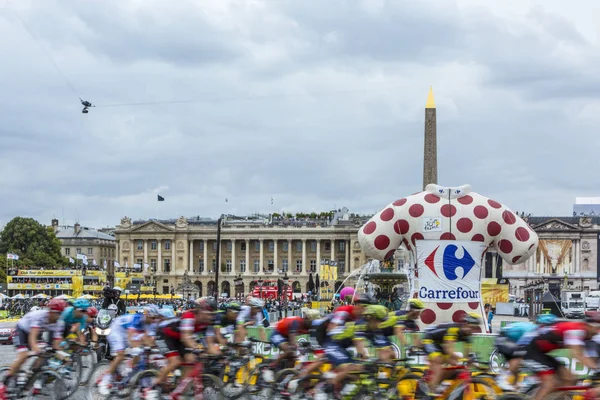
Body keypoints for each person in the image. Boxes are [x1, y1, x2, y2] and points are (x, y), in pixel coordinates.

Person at [150, 298, 219, 399]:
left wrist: (220, 356)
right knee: (175, 361)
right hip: (164, 334)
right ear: (200, 311)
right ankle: (151, 389)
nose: (211, 316)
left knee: (191, 360)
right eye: (209, 313)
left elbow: (210, 344)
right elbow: (186, 337)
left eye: (213, 313)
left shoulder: (208, 323)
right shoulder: (189, 316)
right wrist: (199, 350)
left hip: (179, 338)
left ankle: (179, 389)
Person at [523, 312, 600, 400]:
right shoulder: (575, 329)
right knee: (550, 383)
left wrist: (595, 368)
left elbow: (591, 356)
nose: (597, 333)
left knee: (570, 378)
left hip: (541, 352)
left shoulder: (588, 334)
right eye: (597, 329)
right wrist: (596, 369)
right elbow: (577, 353)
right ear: (589, 326)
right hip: (530, 350)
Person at [98, 304, 161, 395]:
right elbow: (130, 336)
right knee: (121, 355)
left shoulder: (150, 323)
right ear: (146, 315)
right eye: (152, 318)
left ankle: (129, 369)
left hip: (127, 332)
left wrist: (155, 350)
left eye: (155, 318)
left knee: (141, 354)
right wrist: (135, 348)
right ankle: (104, 381)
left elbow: (150, 340)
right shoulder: (137, 318)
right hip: (117, 329)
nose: (153, 320)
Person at [5, 299, 67, 391]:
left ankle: (31, 375)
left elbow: (56, 344)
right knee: (23, 356)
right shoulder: (40, 316)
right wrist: (35, 349)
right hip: (22, 331)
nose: (59, 316)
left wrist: (62, 355)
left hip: (36, 333)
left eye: (61, 314)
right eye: (58, 313)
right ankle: (4, 384)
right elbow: (32, 337)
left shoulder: (59, 323)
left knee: (44, 354)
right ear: (51, 311)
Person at [323, 293, 377, 396]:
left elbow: (360, 340)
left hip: (341, 344)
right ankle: (326, 389)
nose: (368, 311)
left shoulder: (360, 319)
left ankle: (342, 390)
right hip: (330, 342)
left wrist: (365, 355)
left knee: (357, 373)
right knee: (351, 368)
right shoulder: (344, 310)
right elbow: (332, 329)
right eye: (366, 308)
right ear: (358, 305)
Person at [422, 312, 482, 393]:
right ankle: (429, 392)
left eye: (475, 328)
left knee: (455, 364)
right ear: (466, 324)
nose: (473, 331)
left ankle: (440, 381)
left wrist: (478, 366)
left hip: (439, 343)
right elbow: (449, 350)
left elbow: (467, 357)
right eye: (472, 328)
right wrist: (463, 359)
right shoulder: (454, 329)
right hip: (429, 340)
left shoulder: (468, 336)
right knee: (438, 364)